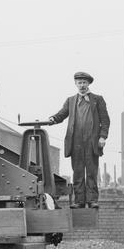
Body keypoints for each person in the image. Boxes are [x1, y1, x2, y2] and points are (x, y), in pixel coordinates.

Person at [48, 72, 110, 209]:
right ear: (75, 84)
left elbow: (105, 120)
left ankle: (92, 200)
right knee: (78, 171)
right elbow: (61, 114)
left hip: (92, 142)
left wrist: (102, 136)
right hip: (76, 141)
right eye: (79, 82)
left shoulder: (98, 100)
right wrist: (52, 119)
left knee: (92, 171)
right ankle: (79, 200)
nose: (82, 85)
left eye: (84, 82)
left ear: (89, 84)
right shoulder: (71, 101)